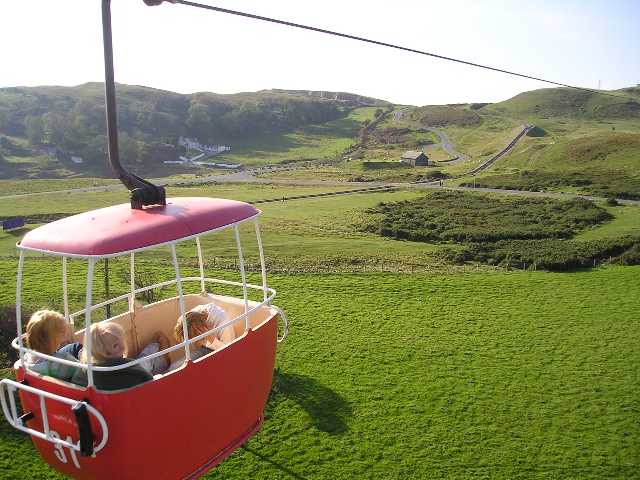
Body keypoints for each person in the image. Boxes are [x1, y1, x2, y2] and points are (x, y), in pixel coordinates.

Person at [71, 322, 160, 390]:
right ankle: (157, 343)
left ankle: (155, 344)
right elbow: (149, 382)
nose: (122, 345)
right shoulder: (128, 369)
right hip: (135, 404)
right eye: (115, 345)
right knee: (160, 373)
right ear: (104, 353)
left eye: (121, 339)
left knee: (146, 360)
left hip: (102, 409)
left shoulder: (83, 371)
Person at [168, 303, 235, 371]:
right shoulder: (193, 315)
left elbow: (229, 353)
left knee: (181, 368)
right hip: (205, 347)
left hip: (220, 353)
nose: (195, 341)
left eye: (195, 338)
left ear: (201, 329)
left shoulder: (224, 324)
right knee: (174, 367)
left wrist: (210, 338)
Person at [24, 310, 82, 381]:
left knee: (74, 346)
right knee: (77, 347)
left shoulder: (27, 357)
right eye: (61, 333)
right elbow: (84, 370)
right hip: (69, 381)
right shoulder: (64, 362)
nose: (64, 336)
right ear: (52, 338)